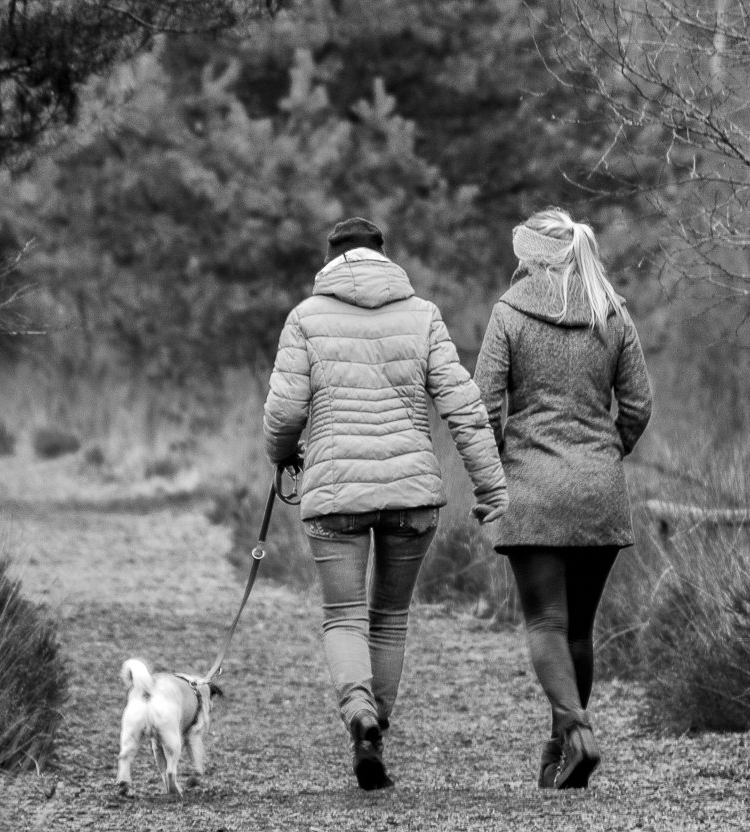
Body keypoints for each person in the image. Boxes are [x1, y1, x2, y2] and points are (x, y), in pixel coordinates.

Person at [264, 217, 507, 791]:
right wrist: (491, 486)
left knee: (343, 616)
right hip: (410, 496)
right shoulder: (422, 315)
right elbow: (464, 409)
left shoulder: (305, 318)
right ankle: (379, 729)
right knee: (390, 617)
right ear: (383, 258)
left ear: (330, 261)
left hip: (334, 497)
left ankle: (361, 720)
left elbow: (283, 413)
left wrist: (282, 454)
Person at [473, 208, 652, 789]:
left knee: (546, 622)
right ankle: (561, 748)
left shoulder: (510, 312)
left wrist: (506, 458)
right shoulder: (612, 311)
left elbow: (482, 404)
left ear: (535, 255)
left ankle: (576, 730)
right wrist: (605, 453)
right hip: (599, 490)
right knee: (579, 629)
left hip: (533, 488)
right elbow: (639, 406)